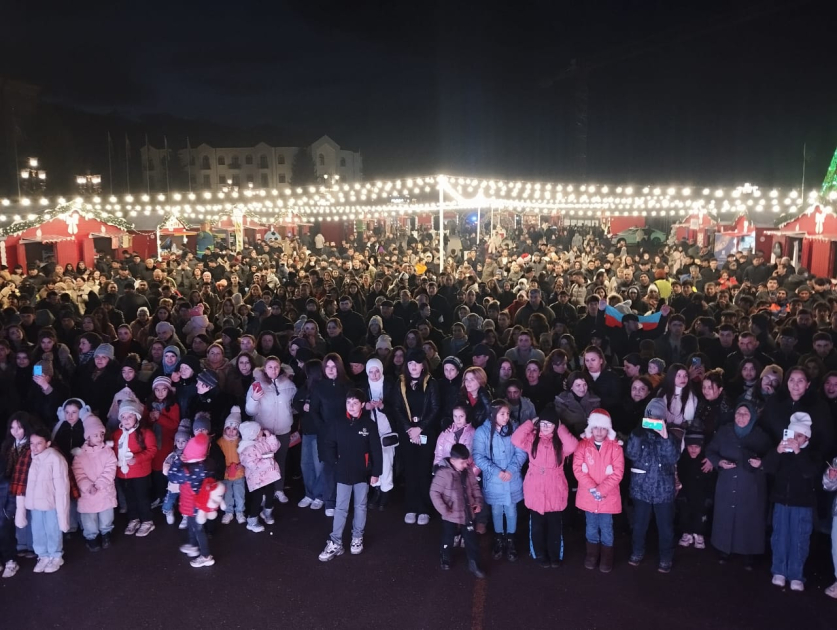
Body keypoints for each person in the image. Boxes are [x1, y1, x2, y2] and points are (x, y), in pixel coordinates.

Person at [318, 389, 383, 562]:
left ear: (362, 404)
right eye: (349, 402)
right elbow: (329, 444)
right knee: (340, 507)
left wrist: (376, 472)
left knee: (360, 506)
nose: (351, 406)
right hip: (343, 472)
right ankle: (335, 541)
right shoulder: (338, 423)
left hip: (362, 472)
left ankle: (357, 537)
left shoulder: (369, 425)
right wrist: (335, 463)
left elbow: (376, 450)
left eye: (355, 403)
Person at [705, 400, 771, 569]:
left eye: (745, 414)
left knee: (749, 518)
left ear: (752, 416)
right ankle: (724, 549)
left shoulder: (761, 435)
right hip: (727, 482)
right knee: (726, 516)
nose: (741, 417)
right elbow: (710, 451)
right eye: (738, 413)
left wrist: (761, 463)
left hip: (751, 486)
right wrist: (720, 462)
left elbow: (772, 460)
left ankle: (749, 553)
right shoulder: (724, 432)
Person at [513, 406, 579, 568]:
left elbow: (573, 445)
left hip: (555, 488)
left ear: (555, 426)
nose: (546, 427)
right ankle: (539, 553)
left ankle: (555, 555)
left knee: (555, 526)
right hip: (535, 488)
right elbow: (516, 439)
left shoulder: (560, 442)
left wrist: (561, 427)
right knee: (536, 526)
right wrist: (530, 423)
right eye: (543, 423)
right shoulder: (532, 439)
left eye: (550, 424)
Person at [763, 413, 819, 591]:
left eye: (800, 436)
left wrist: (798, 452)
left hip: (802, 503)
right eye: (793, 435)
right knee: (780, 536)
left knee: (799, 537)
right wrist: (777, 452)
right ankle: (779, 570)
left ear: (807, 437)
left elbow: (809, 473)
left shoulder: (813, 453)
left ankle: (796, 574)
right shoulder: (782, 450)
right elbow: (769, 468)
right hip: (781, 500)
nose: (795, 439)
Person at [626, 398, 680, 573]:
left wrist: (665, 437)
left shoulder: (671, 437)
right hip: (641, 489)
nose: (653, 422)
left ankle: (666, 557)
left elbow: (673, 458)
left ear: (664, 420)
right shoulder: (637, 434)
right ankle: (637, 552)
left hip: (663, 491)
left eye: (658, 419)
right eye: (650, 418)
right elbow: (631, 455)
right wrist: (637, 435)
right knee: (639, 525)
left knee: (666, 528)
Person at [473, 399, 527, 562]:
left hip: (512, 478)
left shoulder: (515, 428)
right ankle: (498, 538)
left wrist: (511, 470)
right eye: (502, 414)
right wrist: (497, 471)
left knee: (511, 510)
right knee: (496, 510)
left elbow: (521, 452)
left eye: (507, 414)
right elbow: (478, 456)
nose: (506, 417)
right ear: (493, 414)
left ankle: (510, 539)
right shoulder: (482, 432)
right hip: (494, 479)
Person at [391, 348, 440, 525]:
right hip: (407, 433)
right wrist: (409, 428)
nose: (413, 366)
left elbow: (435, 408)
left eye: (416, 363)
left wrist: (420, 427)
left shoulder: (431, 383)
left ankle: (424, 508)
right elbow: (396, 408)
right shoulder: (401, 383)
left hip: (425, 433)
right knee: (410, 470)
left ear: (423, 365)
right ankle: (411, 507)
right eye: (410, 363)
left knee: (423, 470)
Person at [572, 408, 624, 573]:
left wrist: (601, 490)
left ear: (608, 429)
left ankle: (607, 555)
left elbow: (618, 472)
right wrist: (592, 488)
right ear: (590, 428)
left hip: (607, 496)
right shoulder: (582, 446)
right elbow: (578, 469)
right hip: (588, 495)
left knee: (607, 526)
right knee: (591, 526)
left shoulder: (615, 447)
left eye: (603, 428)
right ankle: (592, 554)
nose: (599, 432)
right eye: (596, 427)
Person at [245, 356, 297, 504]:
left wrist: (287, 415)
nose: (273, 370)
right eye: (270, 367)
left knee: (281, 460)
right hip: (264, 432)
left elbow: (293, 405)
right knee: (263, 463)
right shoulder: (257, 385)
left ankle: (279, 490)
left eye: (276, 367)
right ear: (264, 369)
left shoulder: (288, 385)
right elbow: (249, 411)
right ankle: (264, 493)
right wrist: (254, 398)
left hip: (283, 430)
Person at [430, 443, 485, 578]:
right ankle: (445, 556)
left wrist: (478, 502)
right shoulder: (443, 473)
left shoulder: (468, 471)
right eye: (463, 462)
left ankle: (474, 562)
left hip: (467, 512)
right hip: (450, 514)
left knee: (471, 538)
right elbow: (434, 493)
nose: (466, 465)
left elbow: (475, 487)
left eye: (467, 462)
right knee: (448, 537)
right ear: (453, 461)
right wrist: (444, 510)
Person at [20, 427, 70, 573]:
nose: (34, 447)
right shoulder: (31, 457)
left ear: (47, 443)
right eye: (32, 443)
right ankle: (43, 556)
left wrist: (61, 507)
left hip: (51, 504)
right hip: (35, 504)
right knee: (38, 531)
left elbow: (61, 486)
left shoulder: (55, 458)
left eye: (39, 443)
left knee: (52, 530)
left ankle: (56, 555)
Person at [166, 433, 216, 568]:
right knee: (192, 526)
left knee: (198, 530)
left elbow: (171, 477)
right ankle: (193, 546)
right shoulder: (203, 466)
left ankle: (206, 556)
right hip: (198, 505)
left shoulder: (187, 471)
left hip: (193, 506)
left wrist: (178, 461)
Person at [71, 413, 117, 552]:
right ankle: (92, 538)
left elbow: (110, 469)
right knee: (89, 518)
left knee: (106, 515)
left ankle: (106, 535)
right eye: (96, 435)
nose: (100, 438)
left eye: (101, 435)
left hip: (104, 490)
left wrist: (99, 485)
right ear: (88, 436)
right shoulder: (80, 455)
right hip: (88, 493)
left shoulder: (107, 451)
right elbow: (78, 473)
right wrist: (88, 486)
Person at [113, 399, 157, 538]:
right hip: (123, 473)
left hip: (140, 473)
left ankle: (147, 521)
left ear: (136, 417)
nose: (126, 420)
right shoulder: (117, 434)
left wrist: (137, 459)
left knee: (142, 498)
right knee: (129, 498)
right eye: (123, 417)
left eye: (130, 416)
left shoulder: (146, 433)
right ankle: (134, 519)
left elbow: (152, 450)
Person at [364, 358, 396, 510]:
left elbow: (397, 407)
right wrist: (366, 406)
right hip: (371, 428)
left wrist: (382, 406)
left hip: (387, 428)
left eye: (377, 371)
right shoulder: (364, 386)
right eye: (371, 371)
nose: (374, 375)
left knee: (387, 460)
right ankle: (376, 488)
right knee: (374, 459)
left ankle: (386, 491)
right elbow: (357, 404)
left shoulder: (390, 385)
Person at [237, 420, 281, 533]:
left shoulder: (262, 441)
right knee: (257, 498)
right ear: (253, 433)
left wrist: (270, 436)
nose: (262, 431)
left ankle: (267, 512)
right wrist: (269, 462)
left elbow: (275, 447)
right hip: (257, 479)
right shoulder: (246, 449)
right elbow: (252, 465)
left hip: (269, 476)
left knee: (270, 493)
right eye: (259, 430)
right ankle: (252, 520)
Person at [676, 432, 715, 550]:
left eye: (696, 447)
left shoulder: (706, 462)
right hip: (686, 493)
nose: (693, 450)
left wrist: (709, 496)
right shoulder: (682, 459)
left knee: (701, 515)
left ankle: (699, 534)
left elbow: (712, 481)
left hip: (701, 494)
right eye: (690, 446)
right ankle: (687, 533)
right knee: (685, 514)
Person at [218, 406, 245, 524]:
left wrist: (242, 465)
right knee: (227, 495)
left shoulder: (242, 442)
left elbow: (247, 456)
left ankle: (240, 512)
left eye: (234, 429)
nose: (231, 431)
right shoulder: (220, 442)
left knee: (239, 494)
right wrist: (224, 468)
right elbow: (217, 459)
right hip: (226, 474)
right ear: (224, 429)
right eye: (228, 428)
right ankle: (228, 512)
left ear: (238, 430)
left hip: (239, 474)